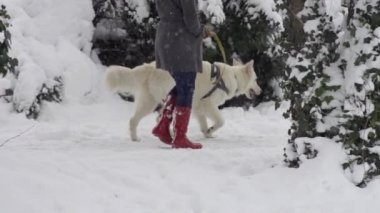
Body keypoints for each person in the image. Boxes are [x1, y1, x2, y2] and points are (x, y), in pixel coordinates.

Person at [152, 0, 214, 149]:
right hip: (180, 42)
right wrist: (202, 31)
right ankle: (180, 136)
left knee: (181, 85)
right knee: (186, 87)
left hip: (167, 38)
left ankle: (163, 125)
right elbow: (191, 19)